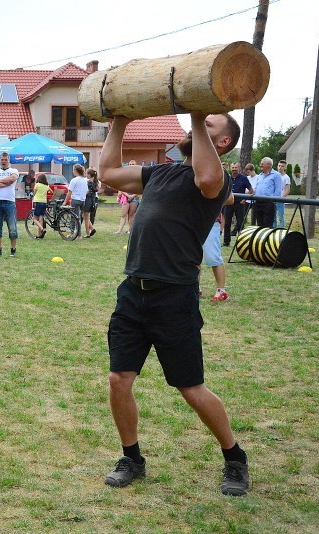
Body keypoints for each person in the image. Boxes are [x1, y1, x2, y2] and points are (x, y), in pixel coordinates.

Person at [98, 112, 250, 496]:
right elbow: (109, 174)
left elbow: (207, 178)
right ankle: (132, 457)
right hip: (133, 291)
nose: (192, 126)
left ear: (223, 143)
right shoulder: (160, 173)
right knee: (119, 379)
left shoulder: (217, 180)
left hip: (174, 297)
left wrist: (198, 115)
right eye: (197, 121)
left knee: (191, 388)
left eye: (207, 125)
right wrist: (120, 122)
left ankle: (234, 458)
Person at [222, 163, 252, 246]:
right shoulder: (228, 178)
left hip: (239, 203)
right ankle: (226, 242)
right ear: (231, 169)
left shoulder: (243, 178)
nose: (234, 169)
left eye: (236, 167)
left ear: (239, 169)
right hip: (229, 203)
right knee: (227, 223)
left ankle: (241, 242)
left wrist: (245, 199)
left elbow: (251, 190)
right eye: (233, 167)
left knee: (240, 223)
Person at [252, 157, 280, 228]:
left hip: (269, 203)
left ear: (268, 165)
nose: (260, 165)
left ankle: (267, 238)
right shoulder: (260, 175)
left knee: (267, 225)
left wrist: (273, 201)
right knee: (259, 225)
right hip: (258, 202)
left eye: (262, 164)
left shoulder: (276, 175)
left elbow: (278, 190)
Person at [65, 164, 89, 238]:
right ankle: (78, 233)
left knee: (74, 217)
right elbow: (87, 191)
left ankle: (75, 234)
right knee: (78, 217)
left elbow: (70, 192)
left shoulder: (74, 180)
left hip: (75, 200)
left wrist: (65, 201)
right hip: (83, 200)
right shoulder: (85, 180)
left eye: (73, 170)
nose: (72, 172)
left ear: (75, 171)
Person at [31, 174, 50, 238]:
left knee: (34, 218)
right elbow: (50, 191)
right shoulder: (46, 186)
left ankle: (42, 229)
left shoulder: (37, 185)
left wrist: (34, 196)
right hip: (44, 203)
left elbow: (34, 192)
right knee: (40, 218)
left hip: (38, 202)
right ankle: (38, 235)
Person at [275, 160, 291, 228]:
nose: (280, 167)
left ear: (285, 168)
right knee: (273, 217)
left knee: (280, 216)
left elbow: (287, 190)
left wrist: (281, 198)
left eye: (282, 166)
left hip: (280, 200)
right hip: (273, 199)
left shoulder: (286, 177)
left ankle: (281, 230)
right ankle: (273, 230)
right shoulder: (274, 175)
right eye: (279, 166)